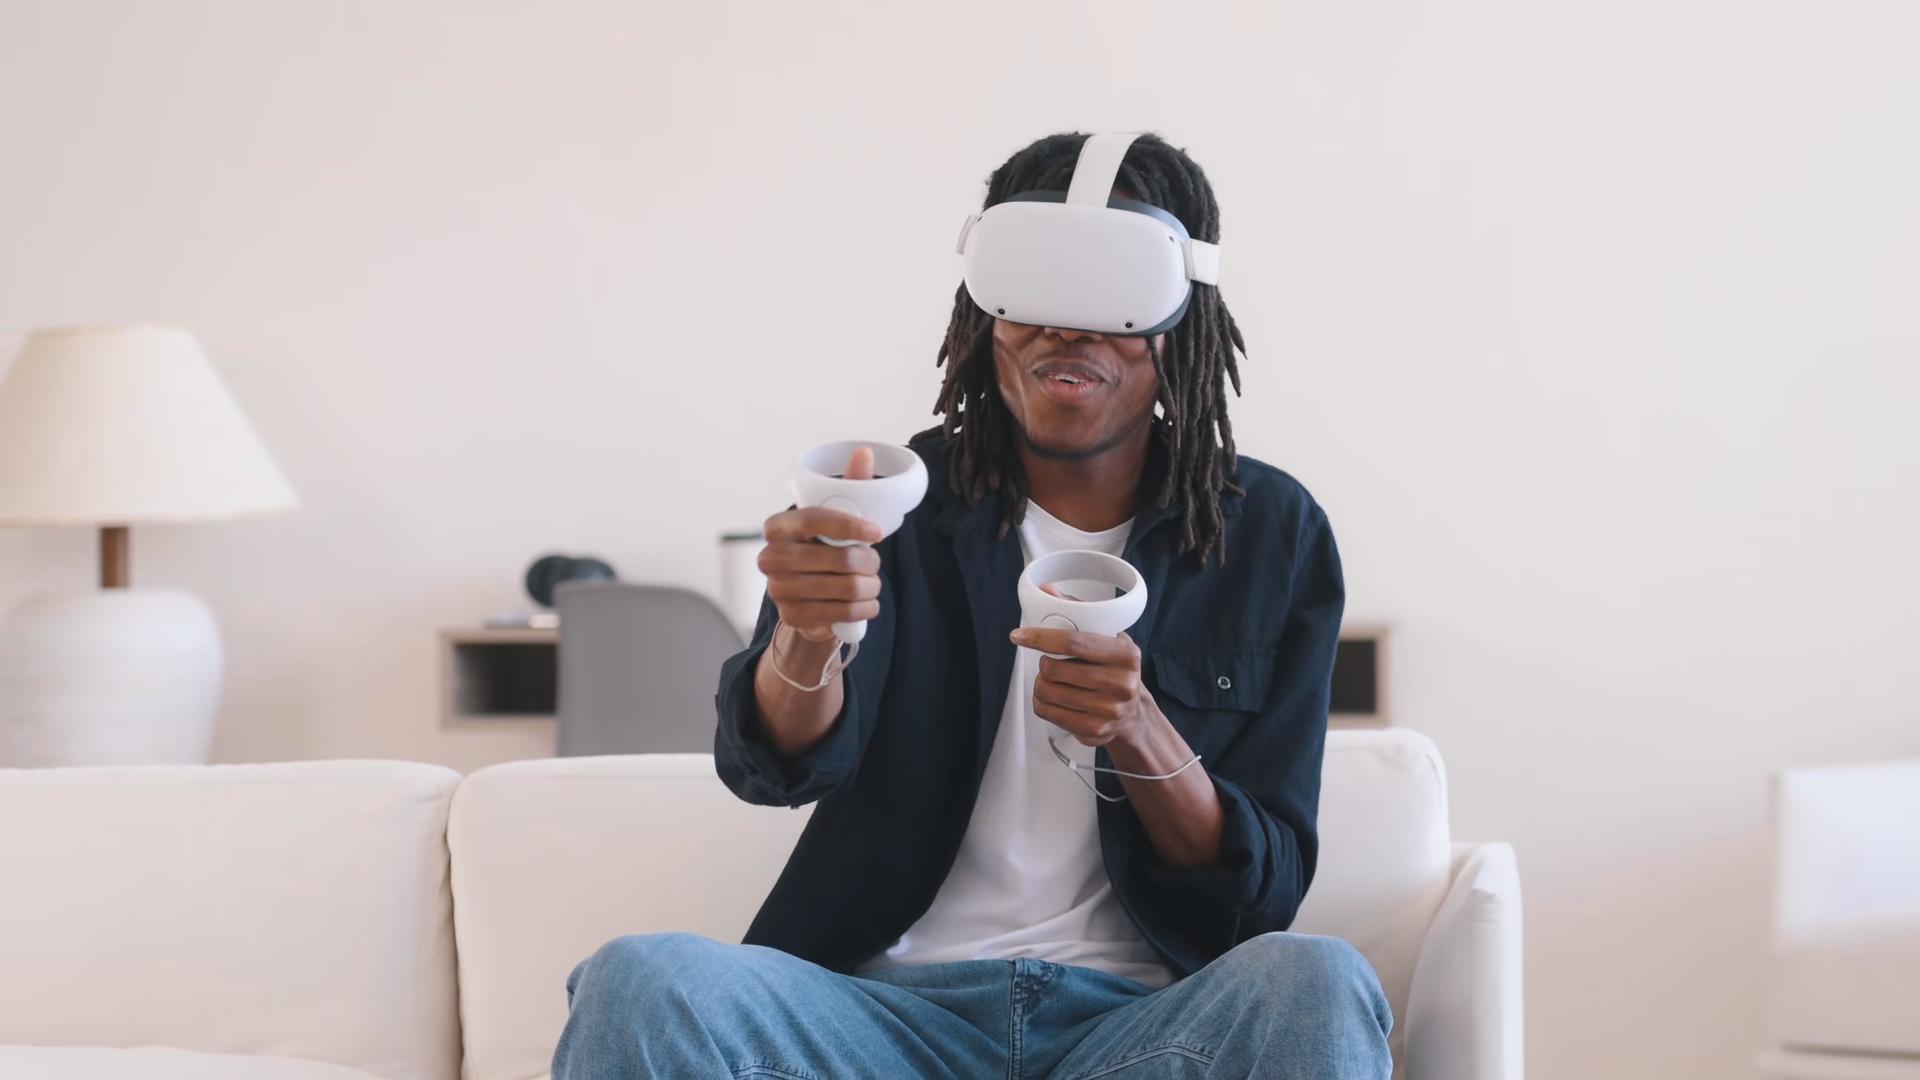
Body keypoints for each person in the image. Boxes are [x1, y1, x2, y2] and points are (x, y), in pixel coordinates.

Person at [553, 132, 1392, 1079]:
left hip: (1143, 1032)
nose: (1068, 327)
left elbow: (1262, 892)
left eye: (1114, 291)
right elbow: (774, 768)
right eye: (1034, 283)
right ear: (984, 305)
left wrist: (1137, 728)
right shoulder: (887, 504)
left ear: (1184, 316)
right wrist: (807, 637)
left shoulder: (1269, 532)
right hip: (881, 1025)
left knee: (1317, 981)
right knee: (639, 980)